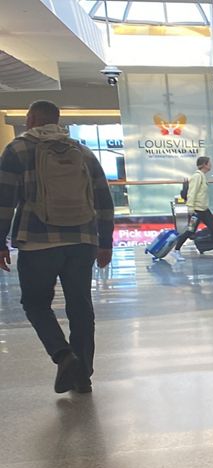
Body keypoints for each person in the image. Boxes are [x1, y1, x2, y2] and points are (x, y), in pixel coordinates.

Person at [0, 100, 114, 394]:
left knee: (36, 304)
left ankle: (64, 356)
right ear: (57, 120)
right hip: (83, 241)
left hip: (38, 242)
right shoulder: (83, 152)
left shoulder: (17, 149)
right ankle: (83, 376)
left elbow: (4, 202)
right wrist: (106, 242)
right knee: (80, 305)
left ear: (31, 118)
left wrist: (0, 242)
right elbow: (103, 198)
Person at [173, 155, 213, 258]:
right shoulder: (197, 176)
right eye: (209, 163)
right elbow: (192, 193)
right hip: (197, 211)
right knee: (190, 231)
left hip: (204, 210)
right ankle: (176, 250)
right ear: (204, 165)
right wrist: (190, 208)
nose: (211, 165)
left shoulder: (202, 176)